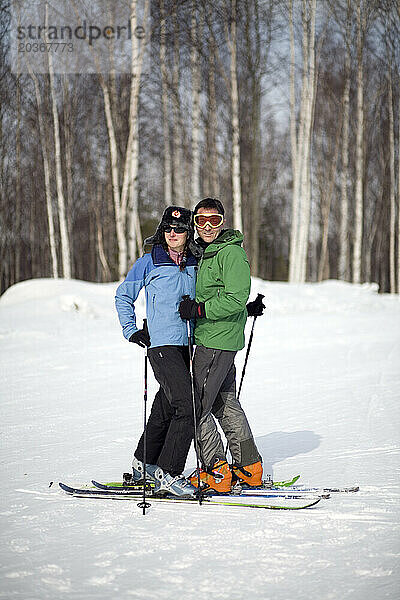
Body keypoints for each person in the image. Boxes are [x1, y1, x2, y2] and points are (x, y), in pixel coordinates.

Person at [179, 198, 265, 493]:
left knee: (196, 405)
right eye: (200, 220)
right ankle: (249, 467)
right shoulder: (207, 252)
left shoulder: (229, 253)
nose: (206, 226)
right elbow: (232, 296)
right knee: (225, 401)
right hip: (218, 338)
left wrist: (200, 310)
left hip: (215, 341)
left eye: (213, 220)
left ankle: (216, 470)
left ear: (223, 222)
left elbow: (234, 297)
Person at [115, 206, 200, 498]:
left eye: (179, 230)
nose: (173, 234)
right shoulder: (149, 262)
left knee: (165, 408)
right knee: (187, 406)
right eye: (168, 229)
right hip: (161, 345)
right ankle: (169, 473)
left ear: (188, 233)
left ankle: (146, 464)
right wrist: (131, 330)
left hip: (187, 344)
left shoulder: (195, 262)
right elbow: (123, 296)